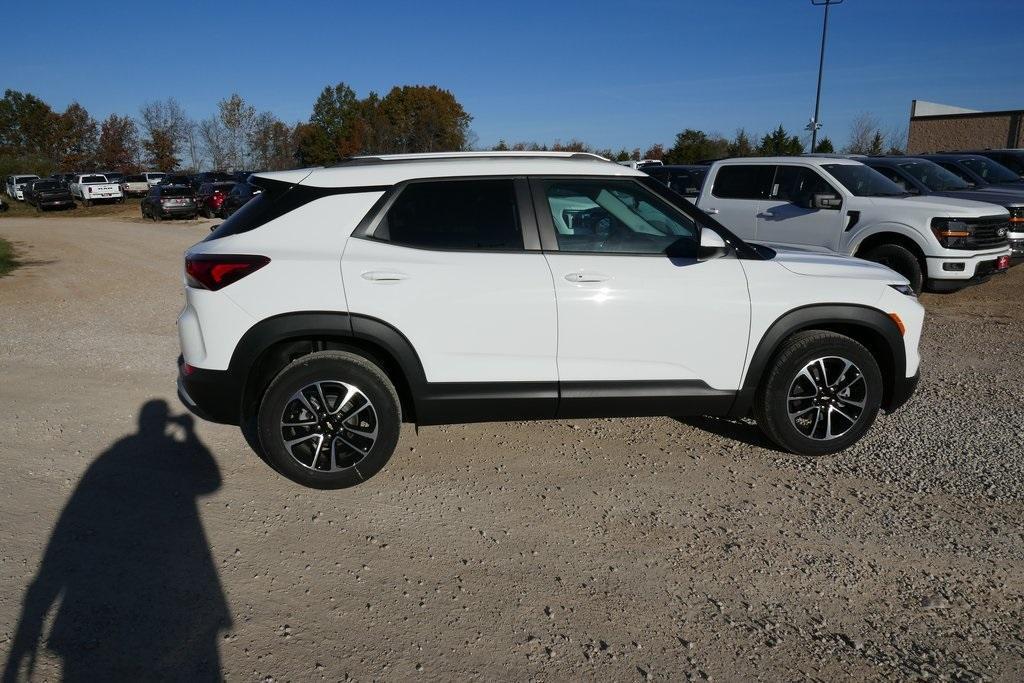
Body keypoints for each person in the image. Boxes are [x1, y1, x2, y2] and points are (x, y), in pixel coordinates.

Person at [3, 400, 230, 682]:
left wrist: (37, 609)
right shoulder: (163, 451)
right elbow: (211, 482)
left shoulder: (112, 456)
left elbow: (70, 522)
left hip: (107, 583)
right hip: (167, 579)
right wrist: (190, 433)